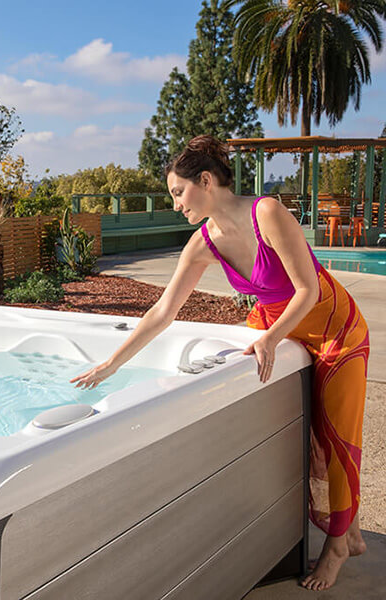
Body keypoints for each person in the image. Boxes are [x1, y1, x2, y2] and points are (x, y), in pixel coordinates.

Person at [71, 135, 369, 591]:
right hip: (277, 324)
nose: (175, 204)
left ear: (206, 181)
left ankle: (337, 546)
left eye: (178, 192)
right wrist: (112, 364)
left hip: (333, 327)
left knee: (336, 432)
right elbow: (163, 311)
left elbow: (308, 288)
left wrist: (270, 338)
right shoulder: (203, 242)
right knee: (307, 438)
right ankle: (350, 532)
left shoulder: (267, 213)